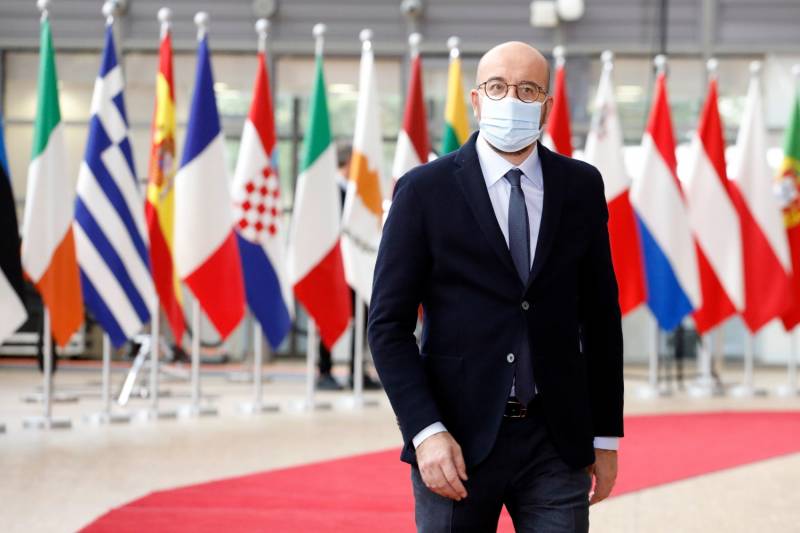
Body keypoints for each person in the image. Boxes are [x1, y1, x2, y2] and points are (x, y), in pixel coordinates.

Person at [368, 41, 623, 532]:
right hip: (454, 440)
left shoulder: (581, 187)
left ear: (546, 105)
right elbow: (387, 326)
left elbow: (601, 319)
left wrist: (606, 436)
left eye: (527, 89)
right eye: (498, 87)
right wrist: (425, 431)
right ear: (476, 99)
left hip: (556, 439)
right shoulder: (423, 191)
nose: (512, 98)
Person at [317, 142, 382, 391]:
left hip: (356, 264)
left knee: (362, 315)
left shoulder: (357, 193)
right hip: (335, 267)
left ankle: (357, 372)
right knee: (330, 314)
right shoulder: (329, 190)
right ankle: (324, 370)